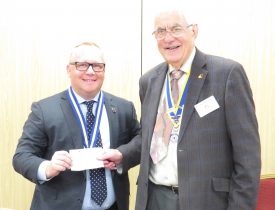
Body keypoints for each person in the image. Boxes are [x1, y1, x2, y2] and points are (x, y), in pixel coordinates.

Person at [100, 8, 261, 210]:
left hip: (206, 200)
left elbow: (247, 154)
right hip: (154, 198)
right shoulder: (149, 81)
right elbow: (152, 137)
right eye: (160, 31)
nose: (168, 38)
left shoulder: (227, 74)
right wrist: (123, 155)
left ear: (193, 31)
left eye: (176, 29)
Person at [12, 42, 141, 210]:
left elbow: (141, 142)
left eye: (97, 66)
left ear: (104, 70)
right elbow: (21, 156)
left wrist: (121, 154)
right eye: (82, 65)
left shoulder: (124, 108)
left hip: (113, 206)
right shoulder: (44, 110)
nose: (90, 71)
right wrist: (48, 167)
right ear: (69, 69)